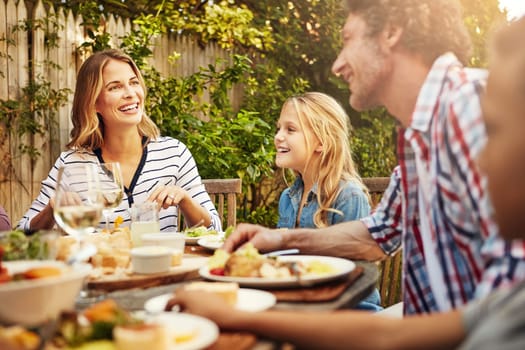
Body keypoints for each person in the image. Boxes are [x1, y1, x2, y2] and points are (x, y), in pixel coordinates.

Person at [168, 15, 525, 349]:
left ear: (390, 32)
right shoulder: (420, 134)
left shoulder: (467, 109)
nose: (337, 64)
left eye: (348, 39)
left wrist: (237, 315)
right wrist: (280, 238)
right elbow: (380, 234)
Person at [17, 49, 221, 233]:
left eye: (134, 82)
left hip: (161, 269)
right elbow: (20, 234)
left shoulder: (174, 153)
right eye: (115, 87)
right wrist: (52, 209)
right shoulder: (71, 163)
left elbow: (215, 228)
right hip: (101, 272)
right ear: (93, 102)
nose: (131, 94)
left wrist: (185, 200)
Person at [275, 92, 381, 310]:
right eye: (279, 128)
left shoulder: (348, 197)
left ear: (321, 142)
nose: (278, 136)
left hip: (349, 315)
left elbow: (354, 283)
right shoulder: (288, 197)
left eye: (290, 129)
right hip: (302, 304)